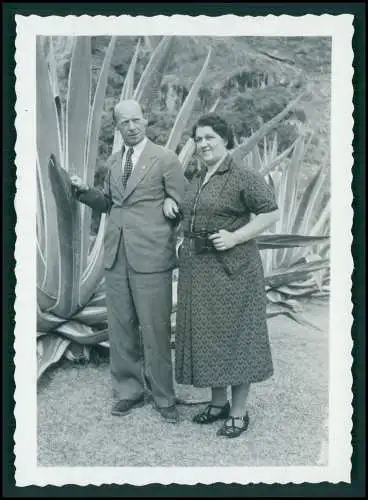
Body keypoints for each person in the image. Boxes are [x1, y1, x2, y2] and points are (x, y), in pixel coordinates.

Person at [70, 99, 185, 423]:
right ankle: (128, 391)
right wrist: (82, 191)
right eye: (125, 123)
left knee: (155, 329)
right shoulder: (116, 162)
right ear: (118, 128)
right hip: (117, 255)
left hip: (152, 257)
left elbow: (183, 202)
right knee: (120, 329)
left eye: (136, 120)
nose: (131, 127)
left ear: (145, 120)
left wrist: (171, 204)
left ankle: (164, 397)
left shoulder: (165, 159)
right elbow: (107, 203)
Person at [173, 114, 280, 438]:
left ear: (225, 140)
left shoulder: (243, 174)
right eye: (199, 139)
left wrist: (236, 237)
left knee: (236, 338)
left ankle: (238, 411)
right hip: (199, 271)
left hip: (232, 271)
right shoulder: (198, 174)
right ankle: (217, 403)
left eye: (210, 138)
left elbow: (271, 212)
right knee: (208, 337)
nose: (203, 144)